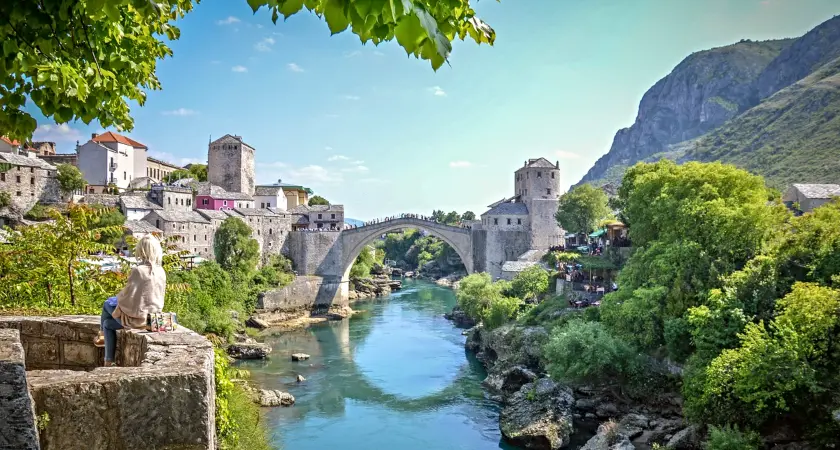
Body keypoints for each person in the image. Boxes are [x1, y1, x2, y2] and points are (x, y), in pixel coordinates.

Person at [93, 234, 167, 366]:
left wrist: (118, 298)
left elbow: (127, 298)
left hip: (137, 320)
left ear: (141, 250)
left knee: (107, 303)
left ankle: (102, 338)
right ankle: (107, 362)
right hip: (153, 319)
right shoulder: (161, 271)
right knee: (108, 324)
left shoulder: (138, 271)